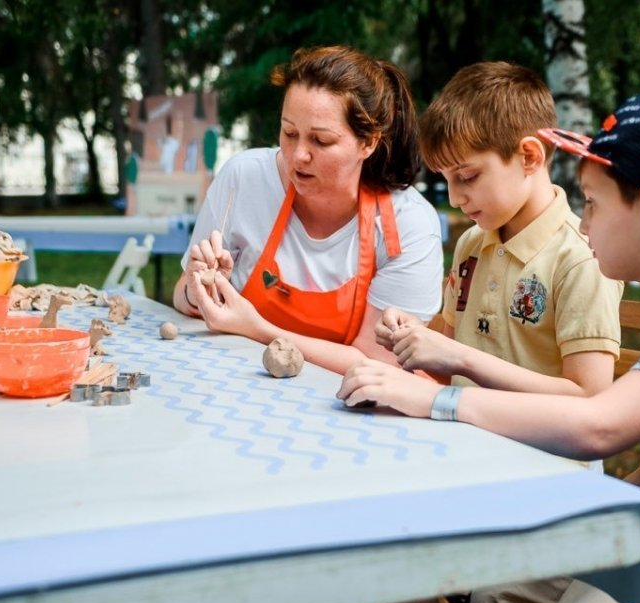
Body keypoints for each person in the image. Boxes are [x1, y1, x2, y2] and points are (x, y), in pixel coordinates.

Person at [339, 94, 640, 603]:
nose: (583, 225)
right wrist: (583, 509)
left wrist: (438, 399)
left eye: (592, 204)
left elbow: (599, 425)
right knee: (502, 597)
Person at [350, 60, 625, 603]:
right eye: (446, 180)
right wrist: (412, 337)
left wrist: (454, 357)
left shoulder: (580, 256)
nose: (455, 197)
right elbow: (447, 340)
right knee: (359, 548)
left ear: (528, 156)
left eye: (467, 177)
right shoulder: (474, 244)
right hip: (464, 463)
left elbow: (592, 400)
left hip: (546, 486)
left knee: (465, 591)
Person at [175, 45, 443, 374]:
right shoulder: (244, 179)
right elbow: (183, 300)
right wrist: (197, 288)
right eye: (289, 133)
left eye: (321, 141)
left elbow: (378, 364)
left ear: (368, 143)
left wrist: (256, 329)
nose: (298, 155)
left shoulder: (409, 225)